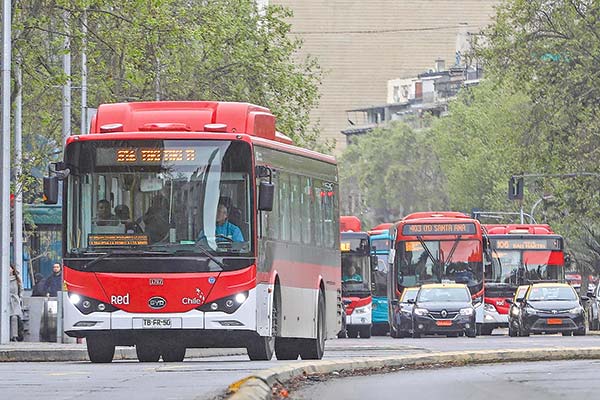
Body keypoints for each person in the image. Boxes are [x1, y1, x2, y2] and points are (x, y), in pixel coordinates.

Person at [9, 265, 24, 341]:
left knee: (14, 317)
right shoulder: (3, 278)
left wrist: (20, 298)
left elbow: (21, 289)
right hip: (6, 301)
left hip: (14, 300)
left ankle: (14, 336)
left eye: (10, 268)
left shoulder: (17, 279)